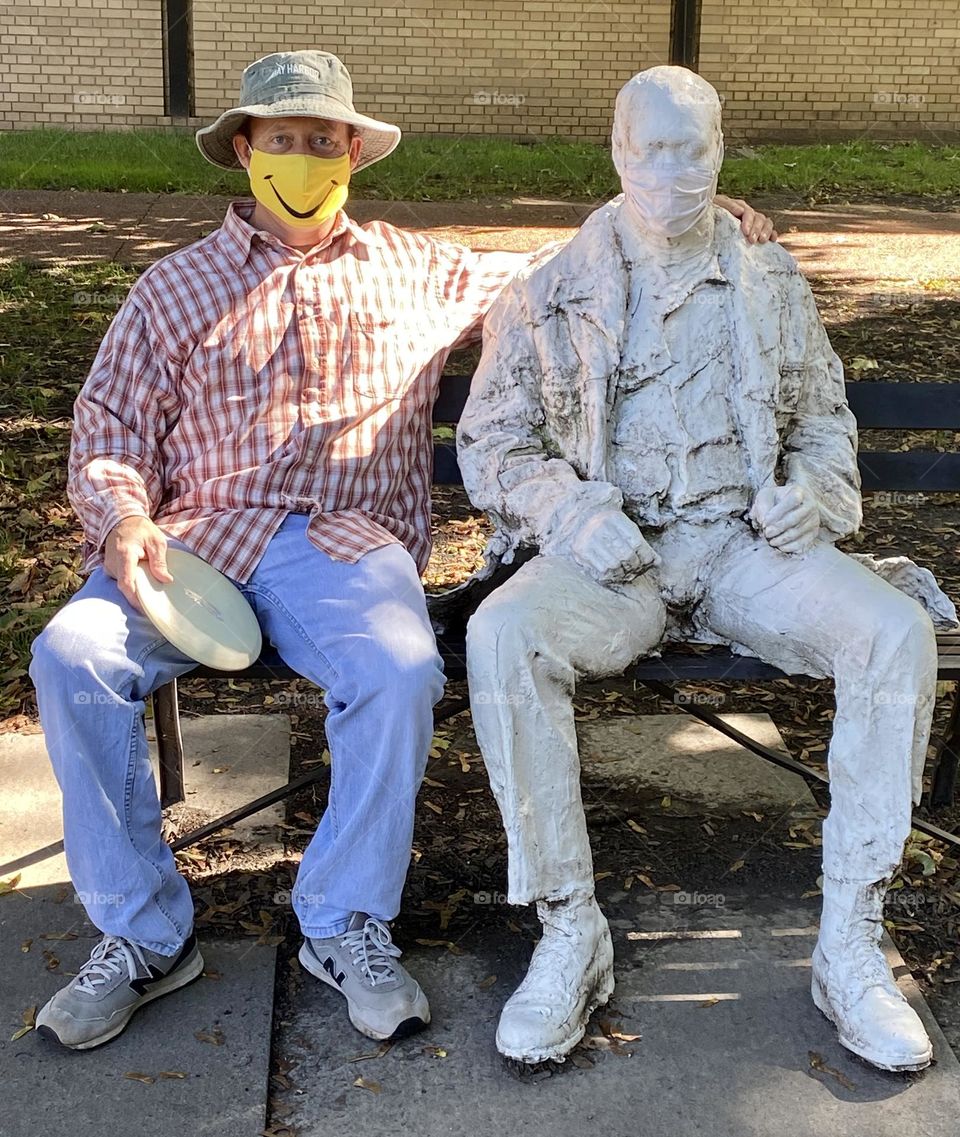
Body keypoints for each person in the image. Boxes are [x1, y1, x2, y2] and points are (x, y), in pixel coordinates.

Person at [28, 50, 775, 1051]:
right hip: (195, 544)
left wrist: (698, 213)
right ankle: (144, 936)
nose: (305, 157)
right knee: (71, 655)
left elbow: (572, 267)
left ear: (352, 155)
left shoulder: (416, 267)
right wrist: (122, 518)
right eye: (284, 140)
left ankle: (344, 923)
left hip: (345, 547)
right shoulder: (173, 288)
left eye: (324, 141)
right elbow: (110, 421)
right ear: (245, 152)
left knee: (400, 666)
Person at [458, 65, 946, 1073]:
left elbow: (823, 424)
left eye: (697, 149)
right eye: (655, 149)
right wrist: (567, 511)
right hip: (618, 560)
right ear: (618, 153)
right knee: (503, 633)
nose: (675, 171)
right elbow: (492, 443)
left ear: (721, 156)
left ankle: (853, 942)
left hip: (744, 550)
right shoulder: (553, 290)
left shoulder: (771, 280)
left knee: (893, 632)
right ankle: (567, 932)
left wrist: (810, 492)